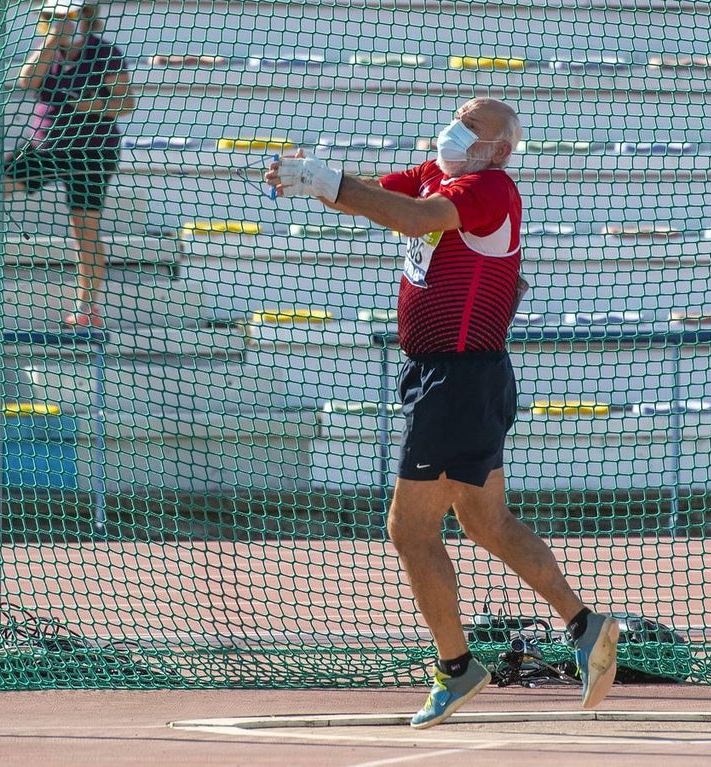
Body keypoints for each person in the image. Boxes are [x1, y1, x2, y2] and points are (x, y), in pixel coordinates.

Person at [265, 97, 619, 728]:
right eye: (457, 116)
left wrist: (325, 180)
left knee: (409, 528)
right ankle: (586, 625)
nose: (454, 129)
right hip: (448, 377)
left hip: (457, 380)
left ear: (499, 147)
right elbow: (379, 195)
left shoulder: (489, 186)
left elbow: (410, 218)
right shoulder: (440, 171)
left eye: (471, 126)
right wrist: (309, 178)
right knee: (486, 521)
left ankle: (457, 669)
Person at [7, 0, 136, 328]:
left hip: (92, 152)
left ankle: (87, 308)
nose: (55, 22)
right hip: (47, 147)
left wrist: (85, 103)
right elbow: (27, 82)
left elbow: (125, 102)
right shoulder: (47, 51)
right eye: (50, 17)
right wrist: (51, 42)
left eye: (63, 17)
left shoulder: (104, 52)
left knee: (85, 231)